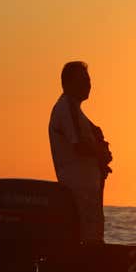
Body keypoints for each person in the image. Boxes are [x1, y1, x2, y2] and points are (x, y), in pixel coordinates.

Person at [48, 61, 112, 243]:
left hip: (86, 187)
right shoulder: (66, 107)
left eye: (89, 80)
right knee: (87, 238)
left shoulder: (75, 110)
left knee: (92, 234)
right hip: (78, 188)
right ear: (68, 83)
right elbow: (79, 145)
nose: (88, 84)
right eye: (83, 80)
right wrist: (101, 154)